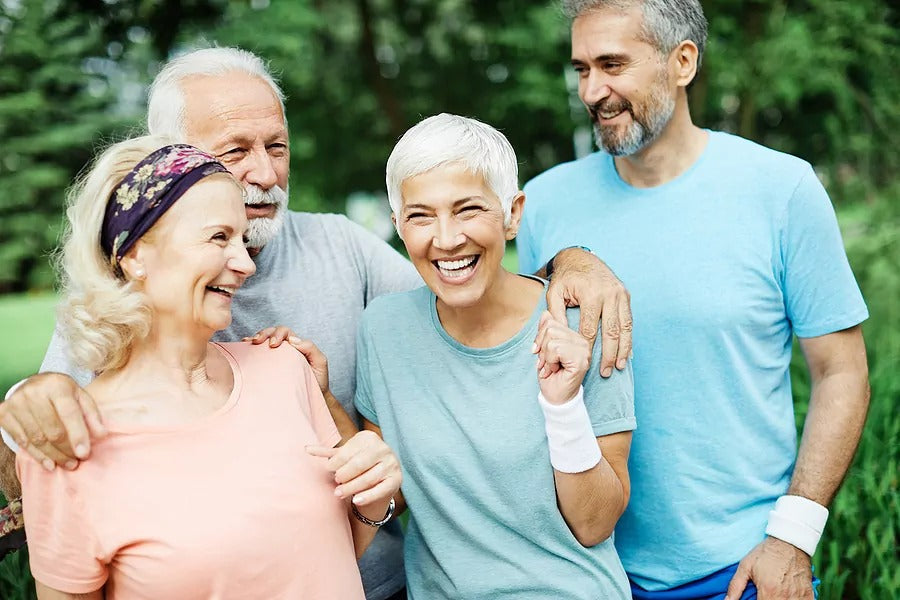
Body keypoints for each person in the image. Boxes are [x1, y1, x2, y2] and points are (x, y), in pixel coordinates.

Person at [0, 47, 633, 600]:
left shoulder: (339, 256)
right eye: (235, 152)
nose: (267, 173)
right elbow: (46, 451)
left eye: (276, 146)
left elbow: (464, 281)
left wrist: (569, 265)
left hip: (374, 582)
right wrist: (25, 396)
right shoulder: (117, 305)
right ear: (170, 164)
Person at [517, 2, 870, 599]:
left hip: (743, 572)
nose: (592, 90)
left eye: (612, 64)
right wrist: (561, 260)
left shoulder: (782, 189)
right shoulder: (544, 205)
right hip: (586, 573)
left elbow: (841, 372)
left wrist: (793, 538)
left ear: (683, 62)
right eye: (580, 69)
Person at [17, 137, 402, 599]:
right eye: (219, 237)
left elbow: (328, 557)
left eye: (242, 238)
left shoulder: (287, 370)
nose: (244, 263)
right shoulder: (68, 444)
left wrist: (373, 496)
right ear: (135, 253)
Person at [353, 113, 635, 599]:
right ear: (398, 224)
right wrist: (314, 394)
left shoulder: (580, 322)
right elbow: (390, 491)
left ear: (512, 214)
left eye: (468, 209)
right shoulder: (383, 329)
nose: (445, 239)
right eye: (421, 215)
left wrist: (562, 406)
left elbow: (594, 523)